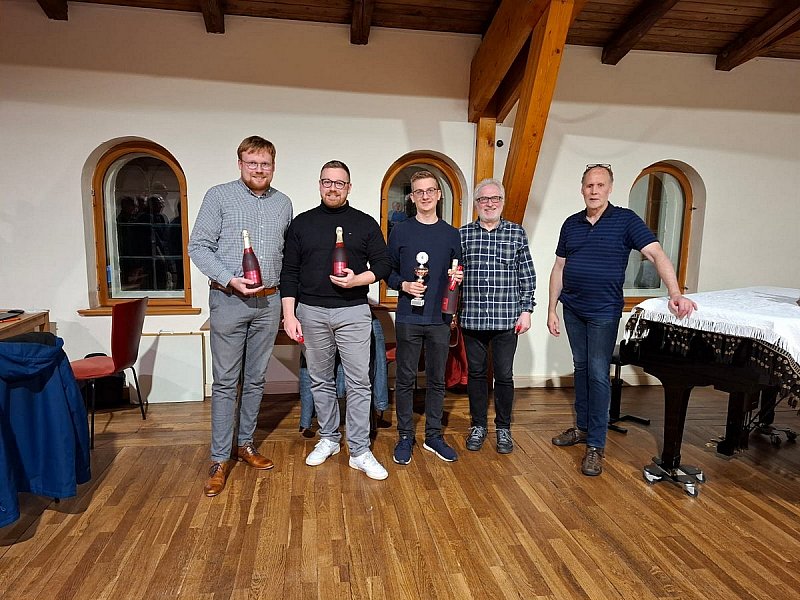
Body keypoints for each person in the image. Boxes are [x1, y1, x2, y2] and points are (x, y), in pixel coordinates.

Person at [547, 164, 696, 476]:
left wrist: (675, 292)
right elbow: (559, 268)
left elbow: (656, 254)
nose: (594, 190)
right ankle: (582, 428)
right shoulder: (571, 224)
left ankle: (595, 445)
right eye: (589, 185)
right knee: (581, 368)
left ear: (609, 188)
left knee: (598, 373)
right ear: (582, 189)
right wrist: (551, 309)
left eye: (600, 185)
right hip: (573, 308)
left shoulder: (625, 220)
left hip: (603, 311)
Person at [188, 136, 292, 497]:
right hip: (229, 299)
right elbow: (198, 246)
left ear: (273, 166)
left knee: (256, 379)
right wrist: (229, 278)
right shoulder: (218, 196)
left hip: (269, 302)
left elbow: (284, 253)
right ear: (240, 164)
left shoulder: (283, 203)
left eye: (265, 164)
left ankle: (245, 444)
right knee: (225, 382)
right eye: (252, 163)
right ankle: (219, 459)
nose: (259, 170)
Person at [281, 160, 392, 480]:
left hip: (353, 311)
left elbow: (383, 265)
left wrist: (358, 280)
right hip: (310, 312)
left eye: (339, 183)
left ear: (349, 187)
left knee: (359, 382)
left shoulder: (365, 223)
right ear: (320, 185)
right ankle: (329, 438)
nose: (333, 188)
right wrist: (289, 314)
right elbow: (289, 272)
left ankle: (359, 450)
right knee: (320, 380)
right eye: (327, 182)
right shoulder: (302, 224)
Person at [387, 170, 463, 465]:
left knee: (437, 379)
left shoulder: (452, 234)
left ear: (439, 194)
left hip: (440, 317)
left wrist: (459, 277)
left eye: (430, 190)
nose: (425, 196)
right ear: (412, 197)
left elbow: (457, 272)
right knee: (405, 379)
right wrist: (404, 285)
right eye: (419, 191)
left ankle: (433, 435)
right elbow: (388, 271)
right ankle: (405, 436)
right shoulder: (400, 231)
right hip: (409, 316)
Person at [459, 178, 536, 455]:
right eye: (483, 199)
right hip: (472, 318)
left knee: (504, 375)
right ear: (476, 204)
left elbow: (527, 275)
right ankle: (478, 425)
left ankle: (503, 427)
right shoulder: (463, 235)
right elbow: (455, 276)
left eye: (494, 199)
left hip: (507, 319)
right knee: (476, 375)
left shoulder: (516, 233)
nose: (489, 204)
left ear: (502, 202)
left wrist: (526, 310)